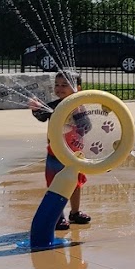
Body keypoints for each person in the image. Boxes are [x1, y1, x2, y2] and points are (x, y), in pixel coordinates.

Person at [28, 72, 91, 231]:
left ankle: (75, 212)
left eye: (65, 85)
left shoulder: (79, 107)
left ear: (77, 88)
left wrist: (78, 117)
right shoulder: (54, 105)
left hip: (74, 153)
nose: (60, 88)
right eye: (57, 85)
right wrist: (35, 109)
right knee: (56, 184)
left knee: (75, 184)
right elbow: (42, 116)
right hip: (55, 152)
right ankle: (58, 216)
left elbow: (87, 126)